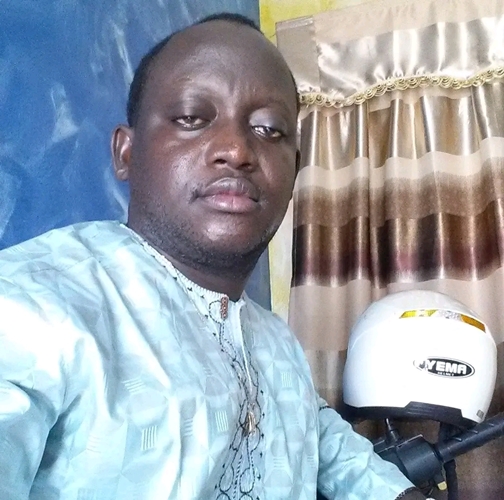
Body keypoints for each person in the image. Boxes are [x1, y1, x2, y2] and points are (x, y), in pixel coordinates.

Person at [0, 13, 428, 500]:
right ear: (126, 153)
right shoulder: (33, 306)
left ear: (295, 169)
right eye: (191, 118)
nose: (236, 149)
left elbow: (326, 442)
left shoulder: (275, 343)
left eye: (269, 129)